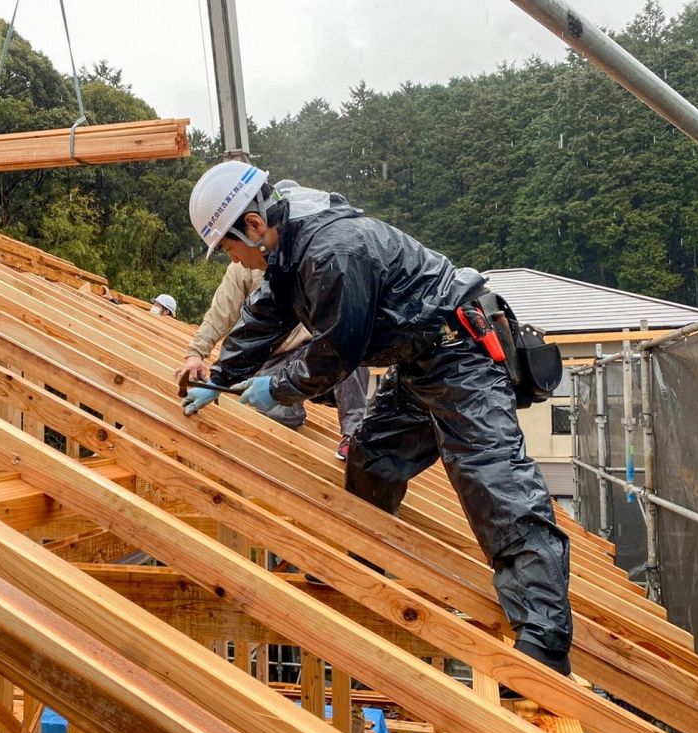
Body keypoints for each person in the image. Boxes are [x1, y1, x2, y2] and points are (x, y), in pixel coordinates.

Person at [180, 161, 573, 676]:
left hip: (460, 352)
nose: (232, 259)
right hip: (417, 360)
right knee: (373, 457)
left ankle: (543, 638)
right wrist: (219, 374)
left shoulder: (331, 250)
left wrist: (277, 385)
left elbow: (340, 348)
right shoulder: (287, 250)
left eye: (229, 248)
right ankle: (369, 566)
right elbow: (266, 315)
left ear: (253, 226)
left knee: (492, 480)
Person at [176, 180, 369, 457]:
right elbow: (224, 311)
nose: (234, 259)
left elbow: (345, 330)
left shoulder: (314, 258)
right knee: (276, 413)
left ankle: (354, 433)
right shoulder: (247, 269)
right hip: (275, 360)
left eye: (230, 249)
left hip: (314, 354)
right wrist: (201, 359)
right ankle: (289, 407)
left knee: (349, 348)